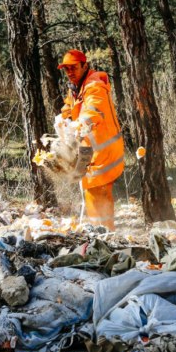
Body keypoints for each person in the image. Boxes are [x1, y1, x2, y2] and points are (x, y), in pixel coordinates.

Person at [58, 49, 124, 230]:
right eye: (66, 69)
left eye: (73, 68)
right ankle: (102, 230)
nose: (70, 72)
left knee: (97, 191)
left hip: (105, 149)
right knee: (92, 190)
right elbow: (70, 106)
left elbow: (94, 108)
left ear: (84, 66)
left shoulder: (94, 85)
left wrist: (79, 124)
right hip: (92, 148)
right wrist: (63, 119)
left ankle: (105, 231)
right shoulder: (76, 87)